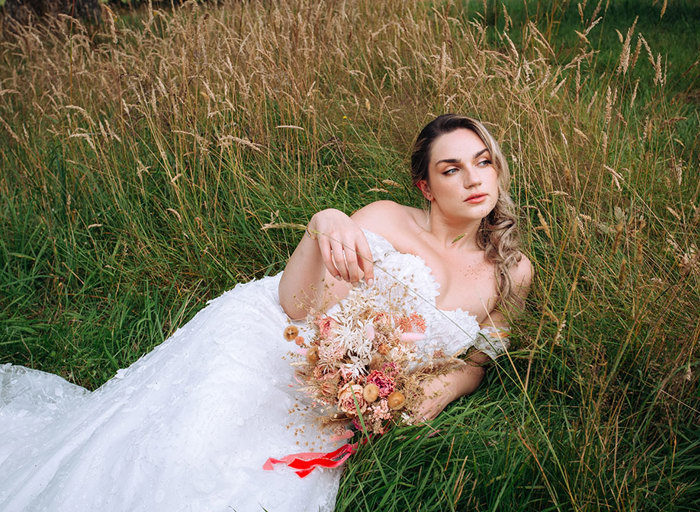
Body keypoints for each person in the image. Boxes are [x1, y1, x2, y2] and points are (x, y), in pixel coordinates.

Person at [0, 114, 532, 511]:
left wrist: (440, 389)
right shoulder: (388, 219)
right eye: (452, 168)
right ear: (427, 186)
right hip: (274, 336)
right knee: (185, 451)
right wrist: (321, 222)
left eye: (483, 161)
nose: (473, 179)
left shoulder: (512, 271)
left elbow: (482, 358)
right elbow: (297, 306)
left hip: (350, 389)